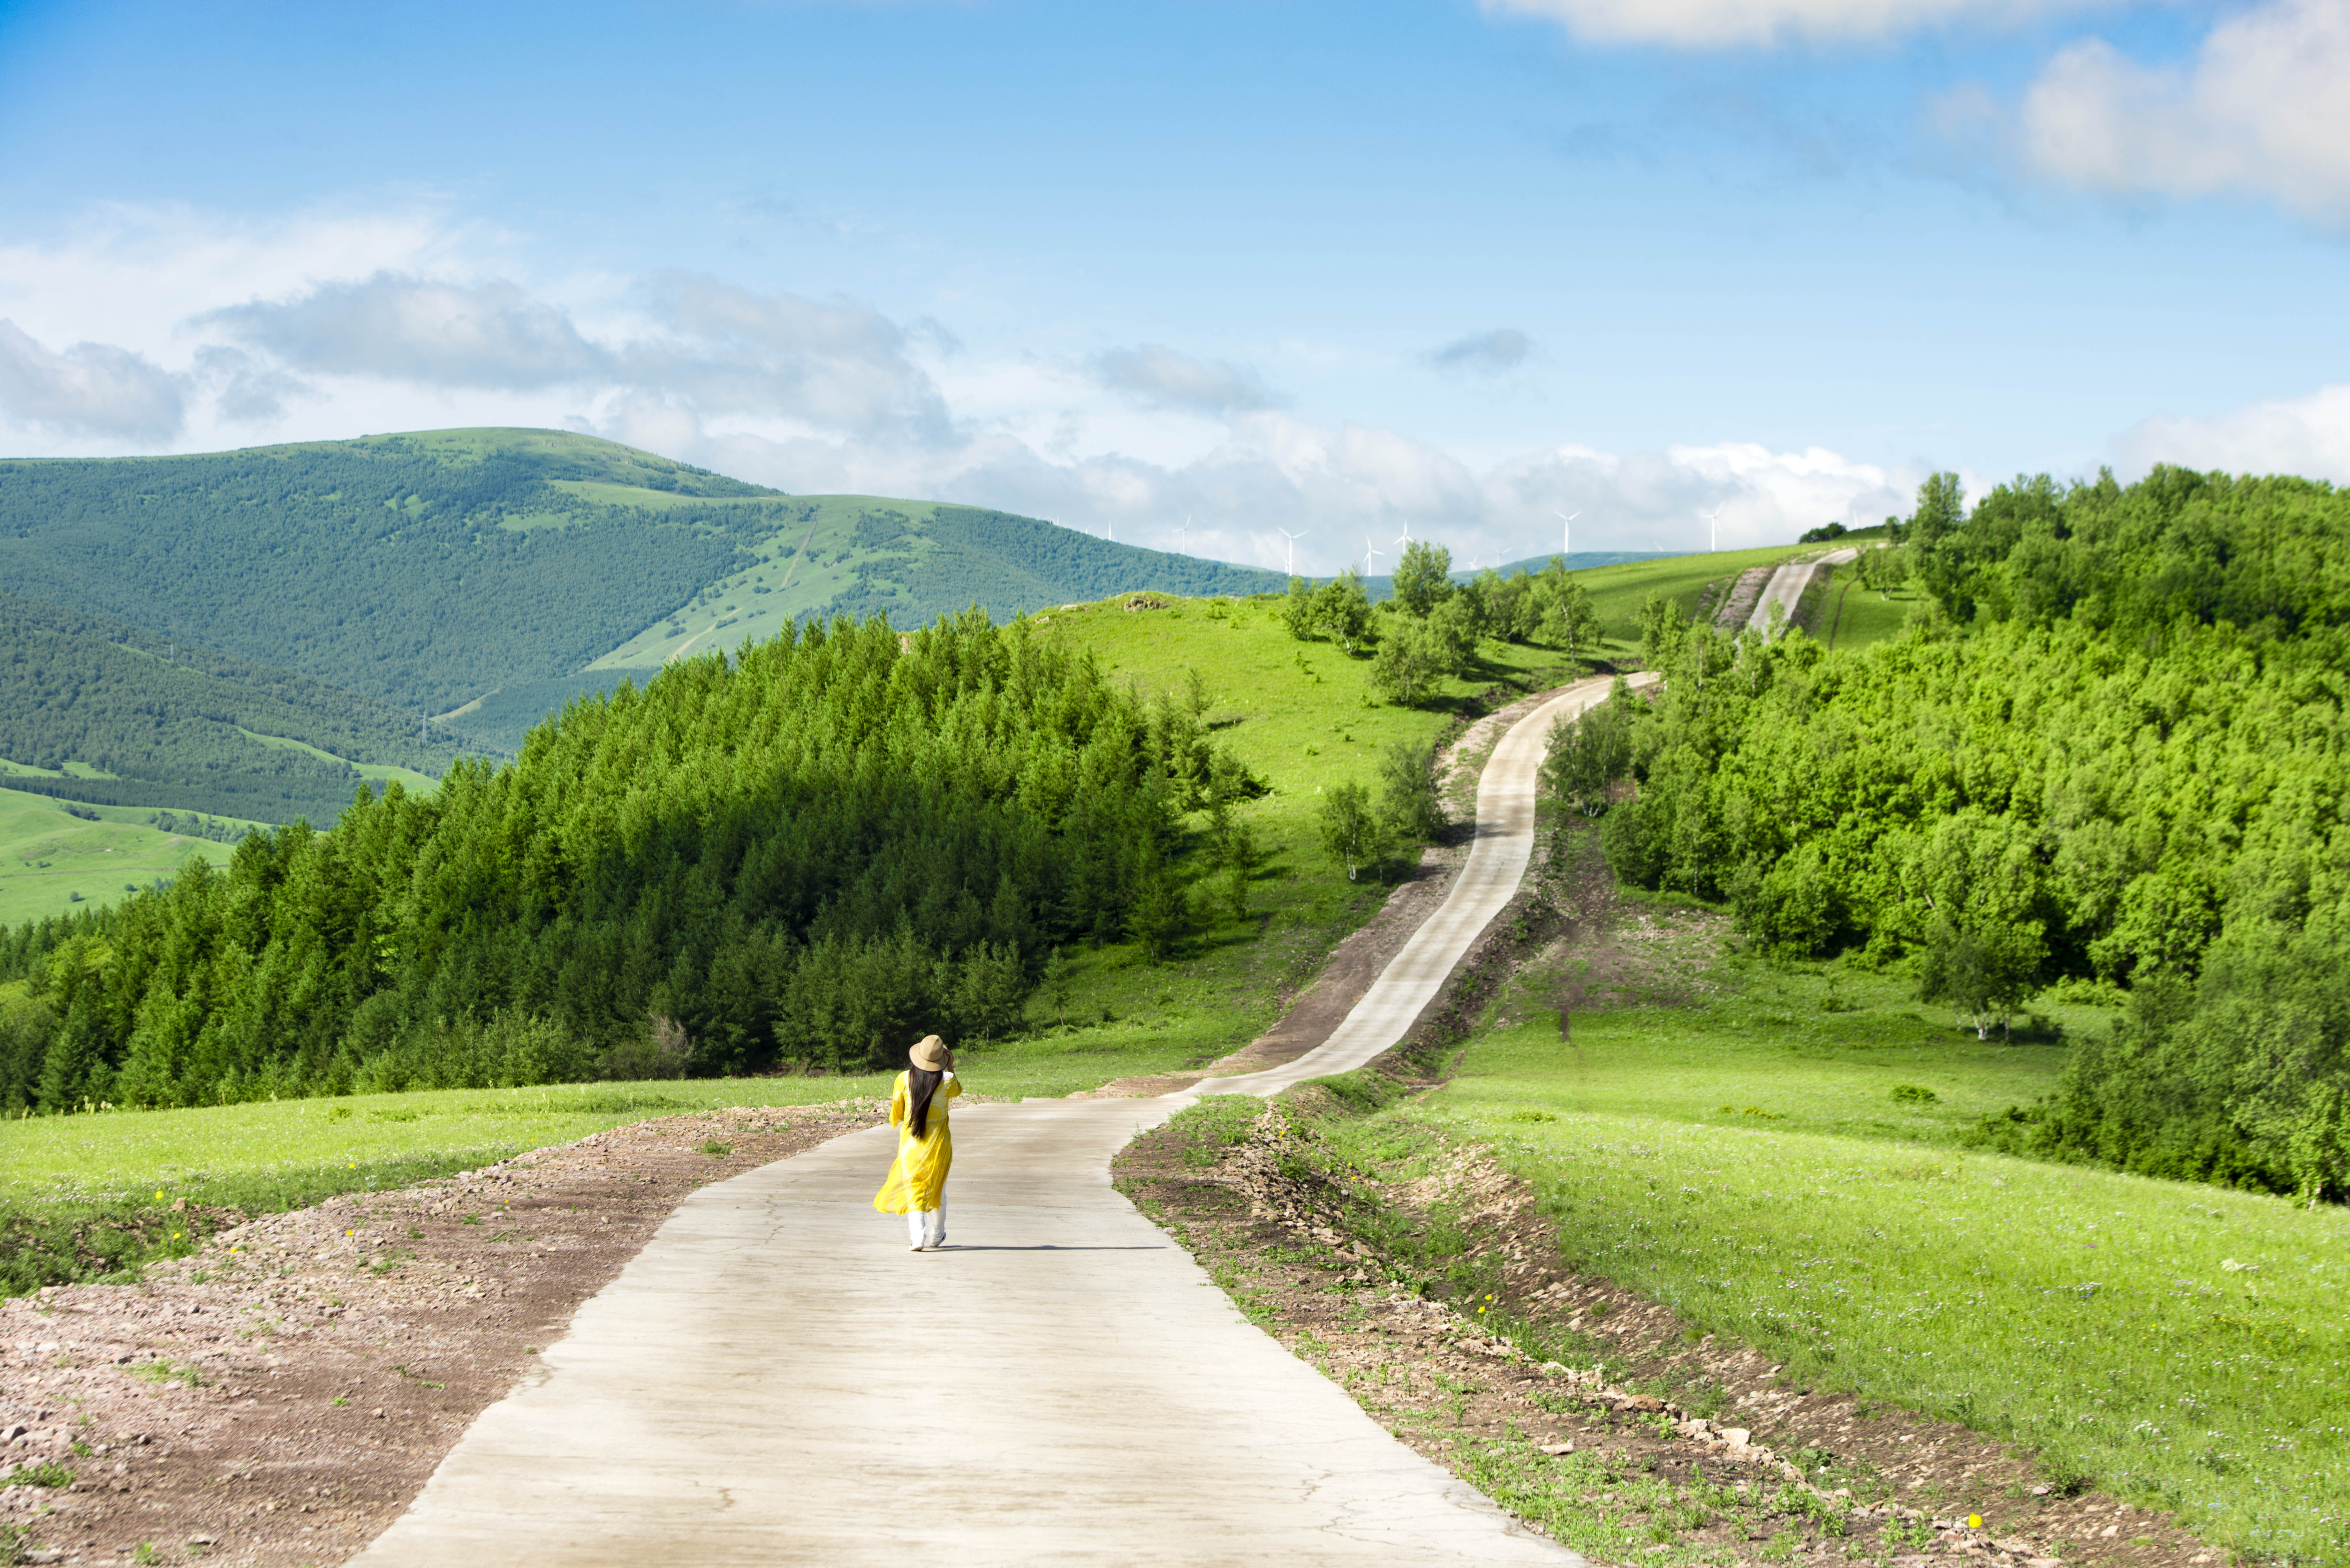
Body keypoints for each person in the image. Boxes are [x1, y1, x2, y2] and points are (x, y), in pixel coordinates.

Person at [872, 1034, 960, 1251]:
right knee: (938, 1191)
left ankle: (917, 1239)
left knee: (914, 1191)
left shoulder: (903, 1079)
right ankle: (936, 1236)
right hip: (939, 1148)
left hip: (911, 1147)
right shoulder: (948, 1081)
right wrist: (951, 1067)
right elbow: (957, 1091)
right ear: (942, 1059)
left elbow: (898, 1112)